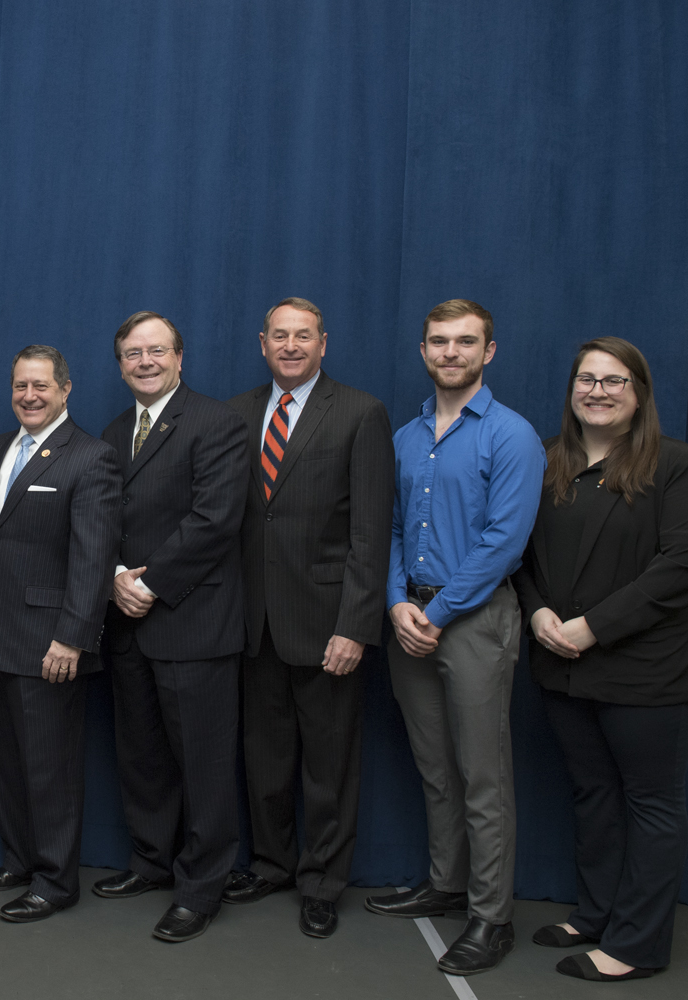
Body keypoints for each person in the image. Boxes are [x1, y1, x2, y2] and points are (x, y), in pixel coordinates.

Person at [513, 338, 688, 982]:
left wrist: (593, 629)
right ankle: (597, 913)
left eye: (615, 381)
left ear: (639, 393)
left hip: (647, 669)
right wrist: (538, 611)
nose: (598, 391)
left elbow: (680, 568)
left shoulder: (678, 466)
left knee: (651, 805)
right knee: (592, 794)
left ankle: (637, 945)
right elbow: (517, 554)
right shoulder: (543, 463)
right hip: (560, 661)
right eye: (587, 380)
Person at [365, 299, 545, 977]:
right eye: (439, 341)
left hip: (473, 623)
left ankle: (490, 916)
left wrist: (436, 616)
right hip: (408, 619)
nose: (451, 352)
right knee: (435, 769)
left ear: (488, 352)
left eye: (465, 342)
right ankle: (444, 883)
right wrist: (393, 604)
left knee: (483, 776)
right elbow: (385, 529)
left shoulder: (511, 436)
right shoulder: (406, 438)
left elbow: (505, 542)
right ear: (423, 350)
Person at [225, 298, 393, 938]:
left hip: (328, 625)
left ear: (324, 343)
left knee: (328, 767)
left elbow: (370, 534)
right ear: (261, 342)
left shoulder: (360, 413)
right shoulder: (237, 414)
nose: (290, 346)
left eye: (303, 336)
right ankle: (271, 863)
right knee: (263, 760)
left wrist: (355, 625)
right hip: (253, 622)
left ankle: (321, 883)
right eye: (279, 336)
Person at [96, 311, 247, 944]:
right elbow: (98, 522)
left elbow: (214, 520)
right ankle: (152, 863)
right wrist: (111, 578)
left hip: (192, 621)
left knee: (204, 764)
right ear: (120, 364)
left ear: (180, 358)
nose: (146, 361)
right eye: (133, 353)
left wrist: (147, 585)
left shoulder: (217, 423)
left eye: (157, 351)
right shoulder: (111, 432)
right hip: (127, 623)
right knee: (143, 755)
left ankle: (201, 887)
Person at [0, 345, 119, 924]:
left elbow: (93, 558)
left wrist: (73, 637)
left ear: (65, 389)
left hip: (49, 642)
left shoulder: (91, 457)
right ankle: (19, 859)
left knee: (50, 767)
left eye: (41, 386)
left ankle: (55, 880)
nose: (29, 395)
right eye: (20, 385)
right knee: (4, 761)